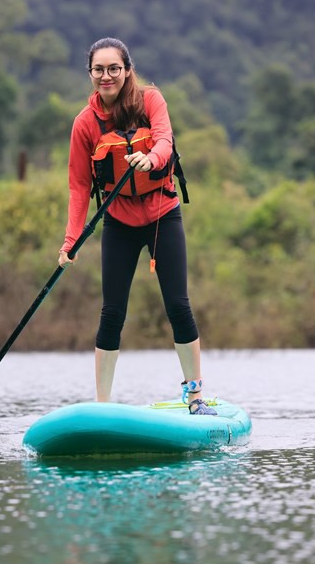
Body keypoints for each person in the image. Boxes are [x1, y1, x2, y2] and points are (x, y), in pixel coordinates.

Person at [58, 37, 216, 415]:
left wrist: (151, 159)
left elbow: (164, 140)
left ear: (128, 70)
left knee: (177, 305)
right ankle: (103, 407)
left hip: (163, 215)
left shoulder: (151, 100)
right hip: (118, 222)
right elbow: (79, 186)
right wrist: (70, 241)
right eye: (99, 69)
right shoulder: (85, 124)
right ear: (90, 73)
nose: (107, 76)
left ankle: (195, 397)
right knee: (112, 313)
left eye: (114, 68)